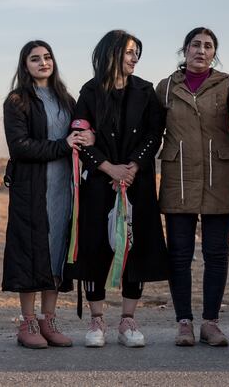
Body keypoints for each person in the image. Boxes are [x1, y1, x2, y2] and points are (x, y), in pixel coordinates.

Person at [65, 29, 168, 348]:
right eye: (128, 51)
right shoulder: (91, 91)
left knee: (134, 247)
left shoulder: (145, 90)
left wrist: (132, 168)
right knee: (95, 247)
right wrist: (109, 168)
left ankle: (128, 321)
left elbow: (155, 135)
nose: (134, 57)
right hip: (99, 181)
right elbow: (79, 137)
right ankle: (97, 322)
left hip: (137, 182)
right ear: (111, 54)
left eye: (137, 52)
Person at [156, 27, 229, 347]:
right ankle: (184, 322)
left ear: (215, 53)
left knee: (216, 253)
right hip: (179, 177)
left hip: (219, 175)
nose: (201, 50)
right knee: (179, 255)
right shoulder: (166, 87)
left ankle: (210, 323)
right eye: (195, 45)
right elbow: (150, 129)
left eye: (208, 46)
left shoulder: (228, 82)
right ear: (184, 50)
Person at [2, 40, 93, 349]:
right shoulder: (17, 101)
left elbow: (79, 134)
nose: (43, 62)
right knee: (29, 252)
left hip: (63, 188)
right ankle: (27, 323)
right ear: (24, 65)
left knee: (56, 251)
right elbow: (19, 146)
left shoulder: (66, 99)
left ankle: (48, 320)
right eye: (35, 58)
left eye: (47, 57)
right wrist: (61, 146)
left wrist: (84, 137)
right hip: (32, 188)